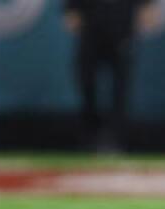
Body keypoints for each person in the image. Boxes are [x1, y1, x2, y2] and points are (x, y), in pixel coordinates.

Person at [64, 0, 156, 151]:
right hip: (91, 26)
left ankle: (118, 140)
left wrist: (147, 6)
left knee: (121, 89)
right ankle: (89, 136)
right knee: (87, 83)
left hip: (121, 26)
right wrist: (71, 8)